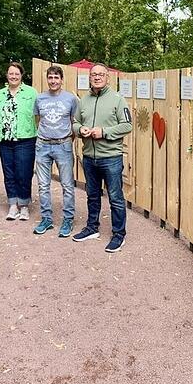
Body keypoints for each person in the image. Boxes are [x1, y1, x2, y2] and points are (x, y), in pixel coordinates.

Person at [72, 62, 132, 252]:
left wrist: (104, 132)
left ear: (108, 77)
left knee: (115, 197)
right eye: (93, 75)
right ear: (90, 78)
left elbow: (127, 125)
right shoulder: (84, 100)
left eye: (100, 74)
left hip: (111, 158)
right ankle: (92, 228)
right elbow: (74, 122)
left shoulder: (117, 99)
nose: (97, 77)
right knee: (92, 195)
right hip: (89, 157)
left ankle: (119, 234)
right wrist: (80, 129)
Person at [0, 62, 38, 221]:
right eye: (11, 73)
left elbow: (39, 114)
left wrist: (37, 131)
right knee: (9, 173)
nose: (14, 76)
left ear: (21, 75)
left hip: (25, 139)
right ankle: (12, 204)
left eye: (17, 73)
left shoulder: (31, 92)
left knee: (24, 172)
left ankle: (24, 205)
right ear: (7, 75)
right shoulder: (0, 94)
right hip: (5, 140)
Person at [32, 66, 79, 237]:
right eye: (50, 77)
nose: (53, 81)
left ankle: (68, 219)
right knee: (43, 185)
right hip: (43, 145)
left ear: (61, 79)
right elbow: (38, 120)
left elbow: (74, 122)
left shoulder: (70, 99)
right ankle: (46, 219)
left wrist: (66, 139)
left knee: (67, 185)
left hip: (63, 145)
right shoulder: (40, 98)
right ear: (47, 79)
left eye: (56, 78)